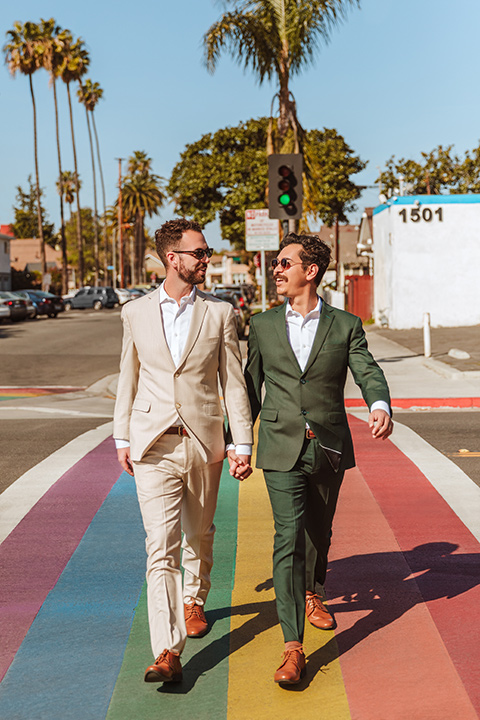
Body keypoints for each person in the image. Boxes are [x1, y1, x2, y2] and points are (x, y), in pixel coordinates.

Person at [244, 232, 393, 686]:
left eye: (285, 263)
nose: (277, 269)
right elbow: (250, 386)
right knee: (287, 535)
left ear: (311, 271)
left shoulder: (346, 324)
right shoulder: (263, 324)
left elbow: (366, 368)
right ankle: (293, 646)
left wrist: (379, 404)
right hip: (278, 443)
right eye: (276, 263)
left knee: (318, 531)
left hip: (327, 444)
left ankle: (313, 591)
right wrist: (234, 441)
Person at [113, 218, 253, 683]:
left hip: (203, 441)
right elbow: (127, 378)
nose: (206, 259)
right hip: (152, 442)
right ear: (172, 258)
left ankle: (195, 596)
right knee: (160, 548)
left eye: (206, 252)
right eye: (199, 252)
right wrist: (122, 436)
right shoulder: (134, 312)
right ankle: (167, 651)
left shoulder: (220, 313)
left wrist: (241, 441)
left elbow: (233, 381)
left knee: (199, 530)